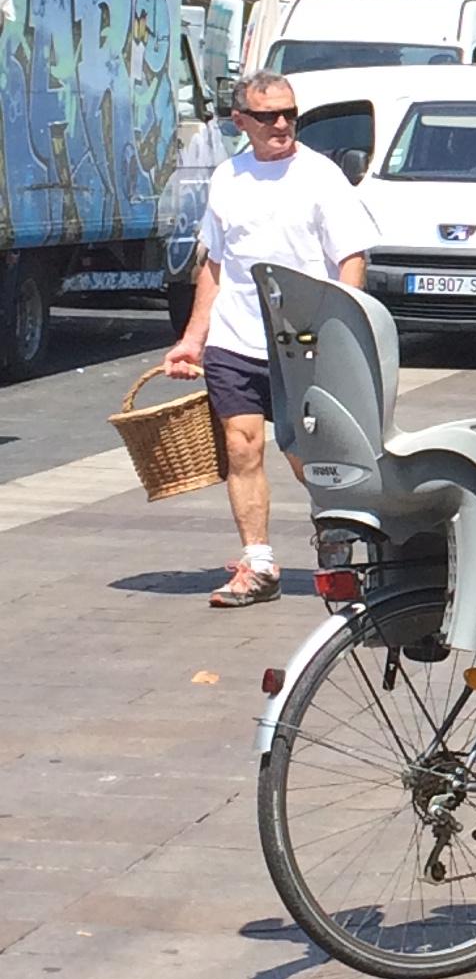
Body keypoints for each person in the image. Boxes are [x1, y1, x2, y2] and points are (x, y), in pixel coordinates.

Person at [164, 68, 376, 607]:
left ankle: (346, 528)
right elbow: (214, 265)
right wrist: (193, 337)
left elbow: (351, 257)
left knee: (306, 455)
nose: (282, 124)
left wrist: (339, 328)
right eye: (267, 116)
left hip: (303, 342)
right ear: (241, 121)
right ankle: (257, 563)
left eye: (289, 114)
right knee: (242, 447)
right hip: (235, 341)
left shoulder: (321, 176)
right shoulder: (227, 178)